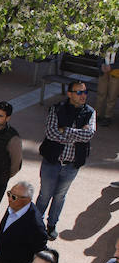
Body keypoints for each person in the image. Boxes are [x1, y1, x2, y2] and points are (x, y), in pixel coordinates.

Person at [37, 81, 96, 239]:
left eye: (85, 92)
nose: (83, 96)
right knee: (45, 194)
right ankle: (35, 222)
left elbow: (89, 135)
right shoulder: (57, 109)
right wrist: (77, 134)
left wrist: (66, 131)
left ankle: (51, 225)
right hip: (52, 161)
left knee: (60, 196)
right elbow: (51, 134)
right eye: (79, 92)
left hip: (72, 165)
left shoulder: (90, 112)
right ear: (69, 94)